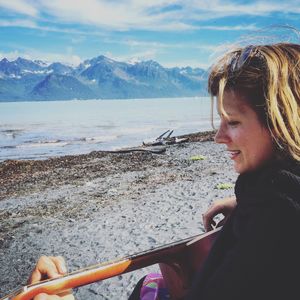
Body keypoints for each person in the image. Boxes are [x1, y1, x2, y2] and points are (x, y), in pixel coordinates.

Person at [28, 42, 300, 299]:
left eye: (234, 122)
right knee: (149, 284)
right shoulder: (275, 199)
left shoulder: (276, 225)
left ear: (281, 124)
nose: (218, 136)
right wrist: (245, 204)